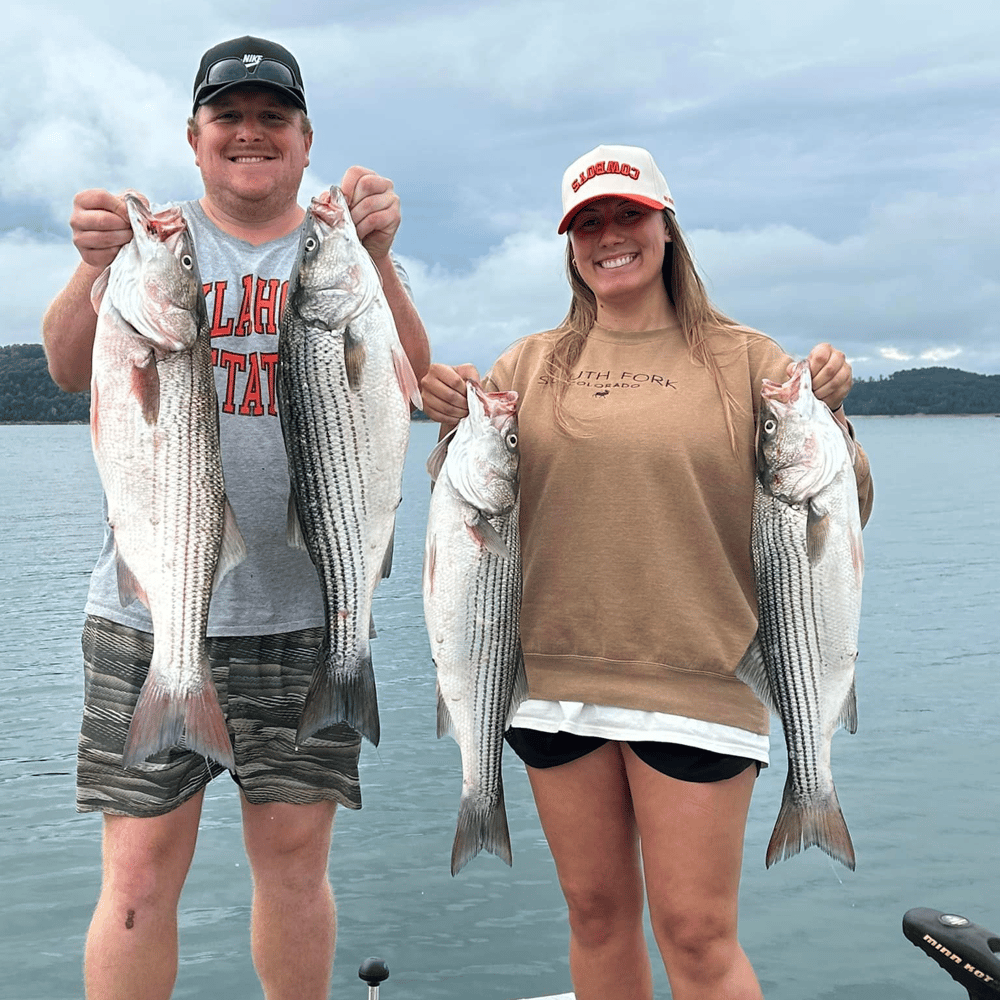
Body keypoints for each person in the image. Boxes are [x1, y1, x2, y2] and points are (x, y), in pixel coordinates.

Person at [420, 144, 874, 1000]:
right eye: (587, 223)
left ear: (667, 224)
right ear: (569, 245)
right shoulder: (528, 367)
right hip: (549, 680)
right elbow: (475, 519)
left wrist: (837, 413)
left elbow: (841, 506)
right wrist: (450, 424)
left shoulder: (750, 362)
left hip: (702, 680)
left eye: (628, 214)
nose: (609, 236)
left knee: (698, 936)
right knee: (595, 915)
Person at [42, 35, 430, 1000]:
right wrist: (88, 265)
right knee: (134, 882)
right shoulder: (154, 252)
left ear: (305, 141)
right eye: (230, 117)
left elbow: (405, 382)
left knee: (296, 873)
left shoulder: (337, 255)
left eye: (273, 118)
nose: (250, 133)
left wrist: (379, 259)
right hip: (147, 613)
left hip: (308, 611)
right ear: (195, 136)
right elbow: (64, 366)